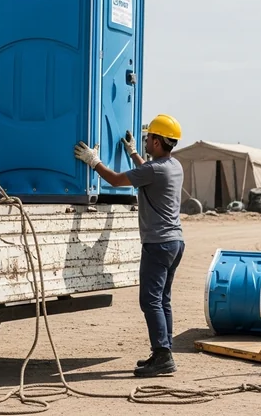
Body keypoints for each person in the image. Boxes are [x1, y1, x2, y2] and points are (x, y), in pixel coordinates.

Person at [73, 115, 185, 378]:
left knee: (150, 301)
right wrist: (134, 153)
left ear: (157, 142)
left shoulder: (154, 170)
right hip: (175, 242)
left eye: (148, 137)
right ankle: (163, 352)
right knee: (162, 300)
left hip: (158, 244)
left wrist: (93, 161)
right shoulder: (173, 165)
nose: (145, 139)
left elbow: (114, 179)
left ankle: (163, 356)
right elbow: (147, 170)